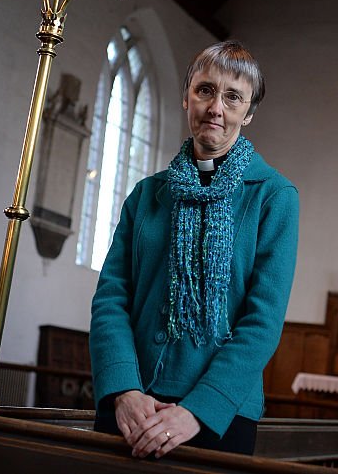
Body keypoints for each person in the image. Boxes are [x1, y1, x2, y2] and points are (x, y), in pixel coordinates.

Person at [89, 41, 299, 459]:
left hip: (219, 416)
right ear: (187, 96)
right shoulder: (147, 195)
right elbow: (111, 298)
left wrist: (197, 411)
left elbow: (262, 322)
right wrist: (124, 389)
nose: (216, 108)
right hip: (132, 407)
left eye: (233, 97)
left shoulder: (274, 197)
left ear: (248, 112)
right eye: (205, 90)